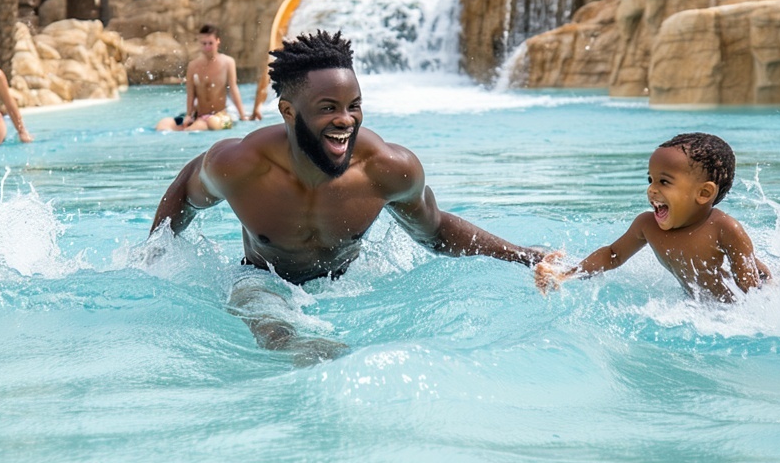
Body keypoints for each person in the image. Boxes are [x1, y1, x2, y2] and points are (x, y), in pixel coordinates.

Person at [152, 30, 548, 362]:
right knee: (269, 323)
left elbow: (437, 230)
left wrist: (526, 257)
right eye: (328, 108)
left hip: (349, 280)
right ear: (288, 112)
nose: (345, 120)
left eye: (354, 106)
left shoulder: (388, 169)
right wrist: (157, 250)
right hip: (262, 278)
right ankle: (300, 351)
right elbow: (188, 187)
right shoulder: (241, 165)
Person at [535, 132, 771, 303]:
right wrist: (567, 274)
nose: (652, 189)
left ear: (703, 193)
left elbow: (750, 293)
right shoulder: (647, 225)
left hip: (735, 303)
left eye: (664, 182)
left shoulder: (724, 228)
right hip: (700, 304)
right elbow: (613, 255)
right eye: (651, 180)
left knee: (764, 280)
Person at [155, 25, 250, 131]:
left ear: (218, 41)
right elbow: (191, 94)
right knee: (163, 125)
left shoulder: (228, 62)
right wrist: (188, 115)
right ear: (199, 43)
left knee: (198, 127)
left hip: (218, 116)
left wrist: (243, 115)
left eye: (210, 43)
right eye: (204, 43)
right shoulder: (193, 66)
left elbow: (233, 89)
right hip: (198, 115)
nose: (207, 47)